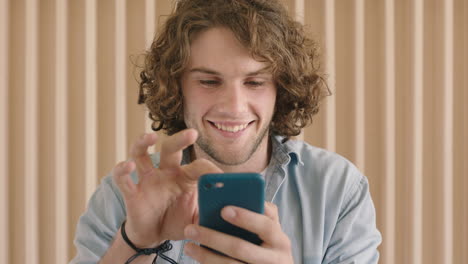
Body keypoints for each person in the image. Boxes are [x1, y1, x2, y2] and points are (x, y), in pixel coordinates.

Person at [70, 0, 382, 263]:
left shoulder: (338, 190)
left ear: (280, 90)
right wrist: (136, 241)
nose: (234, 106)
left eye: (255, 82)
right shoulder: (122, 195)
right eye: (208, 81)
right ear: (177, 89)